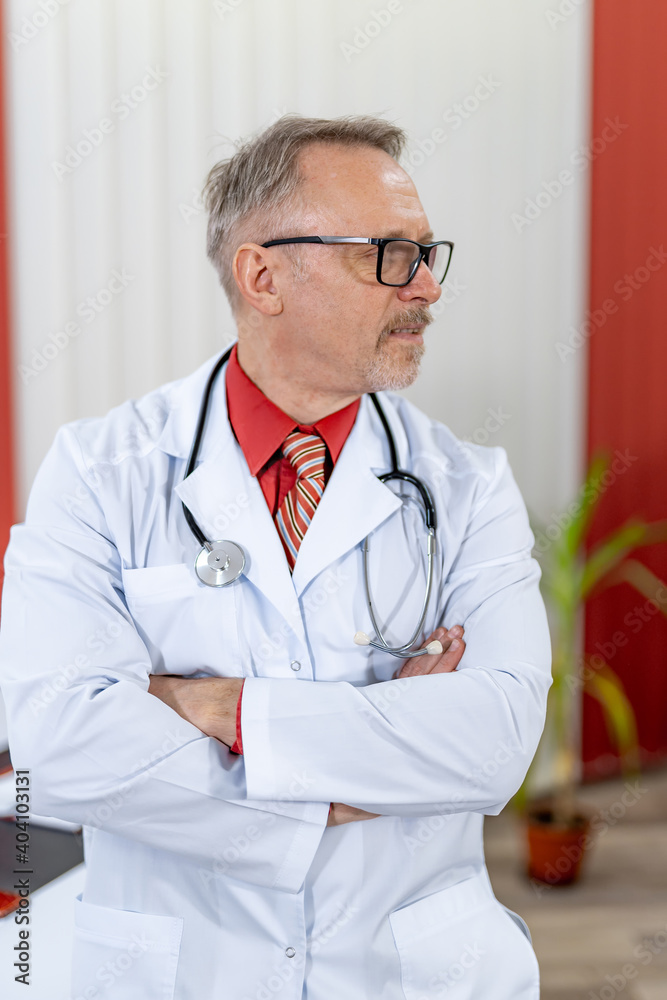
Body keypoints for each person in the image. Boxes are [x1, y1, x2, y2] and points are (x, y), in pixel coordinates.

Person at [0, 114, 551, 999]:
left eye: (425, 252)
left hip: (408, 968)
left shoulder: (466, 485)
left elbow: (490, 744)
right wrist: (346, 787)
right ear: (263, 274)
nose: (424, 288)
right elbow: (59, 747)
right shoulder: (99, 471)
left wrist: (212, 705)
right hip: (176, 971)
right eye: (385, 253)